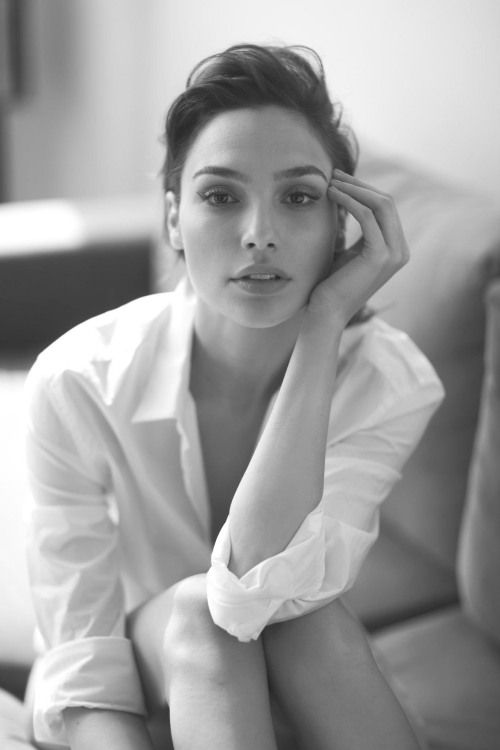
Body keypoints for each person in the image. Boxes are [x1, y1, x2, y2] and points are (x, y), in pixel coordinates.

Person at [24, 43, 444, 750]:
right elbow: (83, 667)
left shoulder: (389, 384)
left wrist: (322, 332)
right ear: (171, 221)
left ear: (342, 229)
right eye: (220, 196)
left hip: (291, 668)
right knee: (201, 617)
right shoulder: (76, 382)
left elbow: (259, 589)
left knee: (301, 615)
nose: (259, 235)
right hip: (127, 685)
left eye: (300, 197)